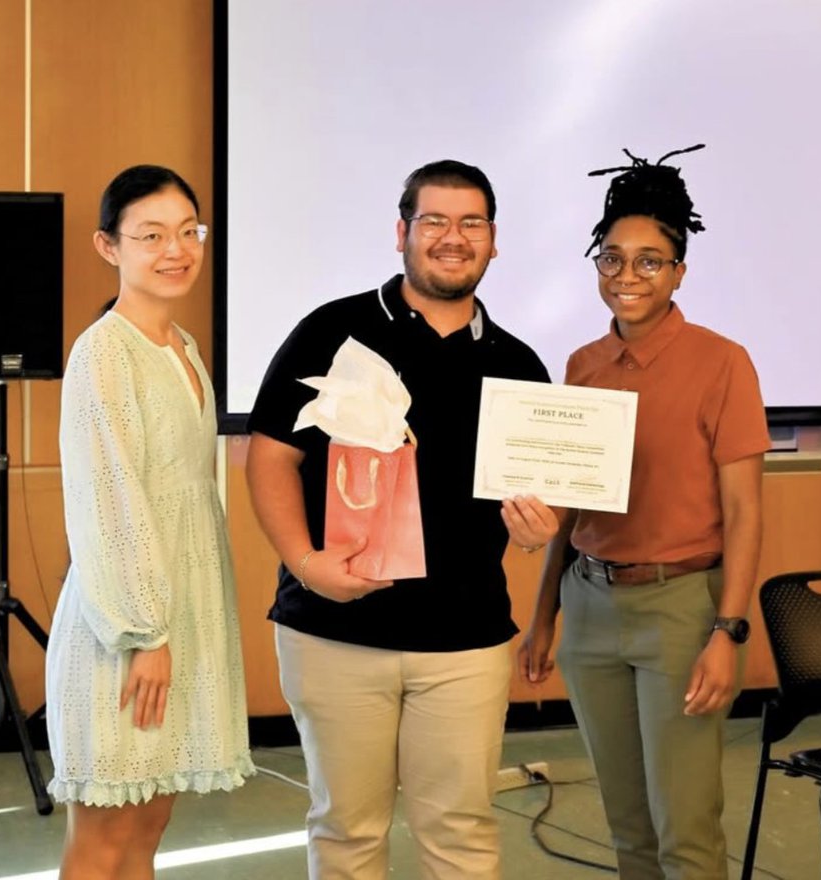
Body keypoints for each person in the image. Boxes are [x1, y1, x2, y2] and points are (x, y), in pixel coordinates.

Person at [245, 159, 551, 880]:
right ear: (401, 232)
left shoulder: (522, 366)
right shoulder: (333, 330)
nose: (453, 237)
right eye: (434, 220)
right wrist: (306, 563)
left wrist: (538, 529)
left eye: (471, 222)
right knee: (346, 833)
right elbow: (269, 459)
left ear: (494, 239)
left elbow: (540, 501)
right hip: (336, 628)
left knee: (462, 834)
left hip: (466, 641)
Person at [513, 146, 770, 880]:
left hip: (683, 611)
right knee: (626, 829)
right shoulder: (583, 366)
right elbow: (568, 512)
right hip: (589, 608)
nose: (627, 276)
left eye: (649, 262)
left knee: (684, 832)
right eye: (612, 259)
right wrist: (543, 619)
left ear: (679, 271)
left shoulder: (723, 363)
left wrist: (728, 631)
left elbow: (745, 513)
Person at [46, 165, 254, 879]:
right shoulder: (104, 351)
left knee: (147, 825)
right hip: (125, 632)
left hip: (176, 622)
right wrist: (146, 633)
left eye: (188, 232)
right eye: (151, 235)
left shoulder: (184, 347)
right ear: (110, 246)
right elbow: (109, 500)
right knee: (103, 836)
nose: (177, 250)